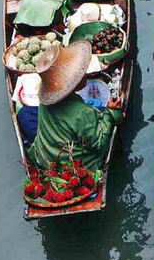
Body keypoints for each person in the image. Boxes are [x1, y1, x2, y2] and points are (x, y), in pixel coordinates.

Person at [21, 41, 122, 170]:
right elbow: (100, 143)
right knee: (104, 113)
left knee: (25, 114)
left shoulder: (46, 96)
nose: (84, 72)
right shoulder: (83, 112)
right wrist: (110, 113)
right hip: (77, 166)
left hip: (47, 157)